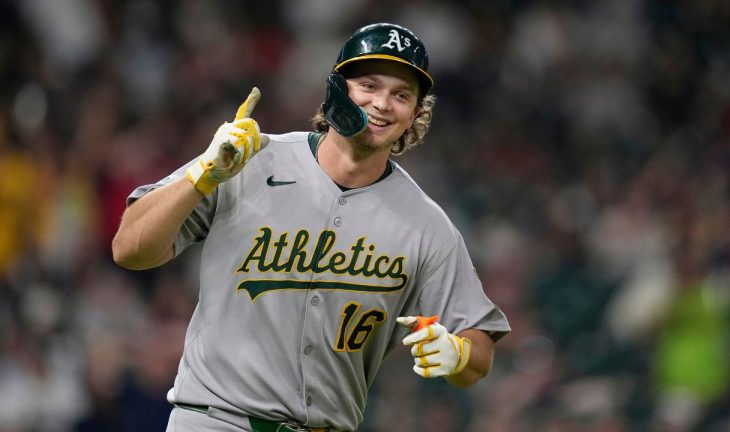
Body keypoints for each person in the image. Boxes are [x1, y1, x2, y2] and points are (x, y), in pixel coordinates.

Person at [112, 22, 510, 432]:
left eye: (401, 95)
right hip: (216, 421)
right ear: (338, 88)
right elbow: (129, 248)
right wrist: (200, 176)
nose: (382, 104)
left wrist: (458, 354)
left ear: (414, 115)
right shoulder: (247, 159)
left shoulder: (426, 224)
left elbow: (479, 351)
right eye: (369, 85)